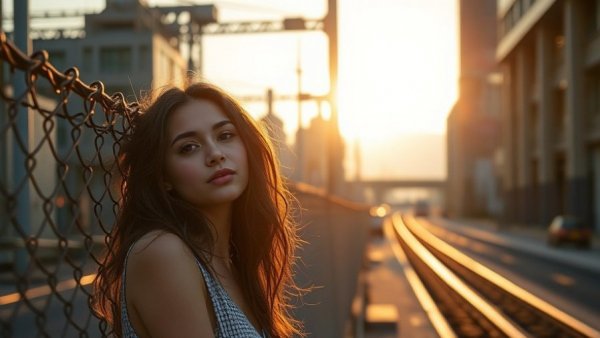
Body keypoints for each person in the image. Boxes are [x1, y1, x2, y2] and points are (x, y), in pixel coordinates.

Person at [92, 82, 302, 338]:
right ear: (163, 176)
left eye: (225, 135)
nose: (215, 154)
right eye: (188, 147)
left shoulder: (235, 263)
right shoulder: (162, 252)